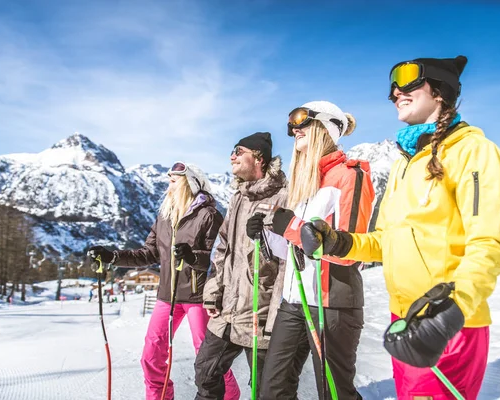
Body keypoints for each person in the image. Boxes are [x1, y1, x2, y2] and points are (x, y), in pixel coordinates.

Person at [301, 56, 500, 400]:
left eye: (409, 80)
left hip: (447, 324)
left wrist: (451, 312)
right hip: (404, 319)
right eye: (392, 85)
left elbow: (489, 244)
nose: (396, 91)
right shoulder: (406, 163)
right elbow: (386, 241)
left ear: (440, 90)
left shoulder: (473, 151)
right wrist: (338, 242)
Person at [254, 101, 375, 400]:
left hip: (332, 302)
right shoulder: (306, 184)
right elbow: (293, 250)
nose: (295, 130)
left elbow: (350, 249)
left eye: (301, 122)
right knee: (272, 390)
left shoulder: (349, 176)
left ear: (326, 127)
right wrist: (269, 234)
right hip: (294, 301)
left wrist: (291, 225)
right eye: (291, 126)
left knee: (334, 394)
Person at [88, 162, 239, 400]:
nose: (168, 185)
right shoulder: (164, 216)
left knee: (207, 358)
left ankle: (229, 396)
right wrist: (112, 256)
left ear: (189, 183)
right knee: (151, 355)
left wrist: (192, 256)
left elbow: (219, 258)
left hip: (198, 297)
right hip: (167, 295)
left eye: (174, 180)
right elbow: (148, 253)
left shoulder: (209, 215)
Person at [195, 132, 288, 400]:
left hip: (259, 313)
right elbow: (223, 247)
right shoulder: (239, 197)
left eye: (238, 150)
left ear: (258, 157)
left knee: (265, 390)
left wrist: (275, 316)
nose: (231, 156)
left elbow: (287, 261)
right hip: (227, 311)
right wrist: (214, 290)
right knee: (205, 371)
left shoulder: (284, 196)